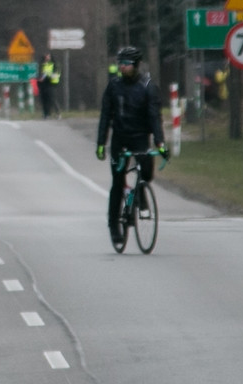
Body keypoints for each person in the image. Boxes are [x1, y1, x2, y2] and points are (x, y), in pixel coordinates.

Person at [96, 46, 168, 248]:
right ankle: (114, 226)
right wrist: (101, 143)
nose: (122, 67)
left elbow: (155, 117)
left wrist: (160, 143)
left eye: (126, 64)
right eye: (120, 63)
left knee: (146, 173)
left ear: (136, 65)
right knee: (117, 183)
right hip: (120, 138)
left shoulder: (148, 87)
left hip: (140, 137)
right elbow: (105, 117)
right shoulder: (113, 86)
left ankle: (140, 195)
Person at [38, 53, 61, 119]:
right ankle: (46, 114)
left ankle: (58, 113)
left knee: (52, 99)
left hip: (51, 83)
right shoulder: (42, 65)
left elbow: (56, 74)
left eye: (48, 56)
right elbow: (41, 73)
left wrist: (48, 75)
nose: (47, 58)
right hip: (44, 84)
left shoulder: (54, 64)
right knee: (44, 99)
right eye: (46, 56)